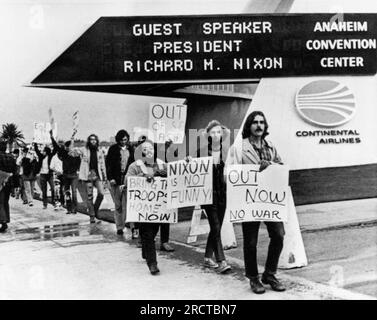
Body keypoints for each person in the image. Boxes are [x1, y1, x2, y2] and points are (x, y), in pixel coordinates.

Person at [227, 111, 286, 294]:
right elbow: (229, 172)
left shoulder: (271, 146)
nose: (259, 125)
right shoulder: (238, 148)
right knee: (250, 242)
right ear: (249, 126)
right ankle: (253, 278)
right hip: (249, 201)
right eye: (255, 122)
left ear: (265, 126)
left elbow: (281, 167)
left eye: (261, 122)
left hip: (269, 201)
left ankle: (269, 273)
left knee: (278, 235)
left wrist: (272, 166)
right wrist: (254, 169)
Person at [191, 120, 232, 274]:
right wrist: (190, 161)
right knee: (215, 226)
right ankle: (222, 260)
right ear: (208, 135)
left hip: (223, 194)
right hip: (208, 195)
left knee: (217, 227)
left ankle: (208, 257)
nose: (216, 135)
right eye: (213, 132)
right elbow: (193, 170)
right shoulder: (201, 151)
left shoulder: (227, 152)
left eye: (218, 132)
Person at [124, 139, 167, 275]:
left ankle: (145, 249)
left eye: (151, 149)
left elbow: (173, 173)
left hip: (157, 207)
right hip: (142, 208)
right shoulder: (134, 166)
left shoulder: (160, 164)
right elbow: (127, 180)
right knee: (147, 233)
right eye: (145, 149)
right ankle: (152, 263)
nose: (149, 151)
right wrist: (142, 176)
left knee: (153, 229)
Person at [69, 133, 107, 223]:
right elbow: (71, 152)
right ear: (89, 141)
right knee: (89, 197)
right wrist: (72, 140)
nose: (93, 141)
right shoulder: (83, 150)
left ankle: (94, 210)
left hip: (97, 176)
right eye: (91, 139)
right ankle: (92, 216)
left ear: (97, 141)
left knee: (101, 194)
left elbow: (102, 165)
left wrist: (105, 177)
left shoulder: (100, 151)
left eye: (95, 139)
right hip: (87, 177)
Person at [105, 130, 135, 235]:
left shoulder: (131, 149)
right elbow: (108, 165)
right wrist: (110, 178)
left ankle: (133, 227)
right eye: (122, 140)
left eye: (125, 139)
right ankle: (119, 227)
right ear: (118, 139)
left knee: (130, 205)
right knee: (118, 205)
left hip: (128, 179)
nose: (123, 142)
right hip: (116, 179)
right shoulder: (113, 149)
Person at [50, 130, 81, 214]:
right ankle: (69, 208)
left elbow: (79, 164)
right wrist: (52, 137)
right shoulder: (64, 153)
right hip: (66, 175)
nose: (70, 148)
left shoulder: (76, 155)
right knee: (67, 192)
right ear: (67, 147)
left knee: (74, 192)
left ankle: (74, 208)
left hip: (73, 175)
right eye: (69, 146)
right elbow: (56, 147)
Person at [34, 143, 57, 209]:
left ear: (47, 152)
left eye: (44, 151)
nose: (42, 152)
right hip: (42, 175)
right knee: (44, 190)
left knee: (53, 188)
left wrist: (52, 137)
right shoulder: (41, 157)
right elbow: (36, 150)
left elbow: (55, 149)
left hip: (49, 175)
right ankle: (45, 203)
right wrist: (35, 142)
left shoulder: (51, 156)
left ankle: (53, 201)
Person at [0, 140, 17, 232]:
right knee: (5, 201)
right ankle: (5, 219)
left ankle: (3, 222)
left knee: (0, 202)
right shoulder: (11, 157)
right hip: (9, 182)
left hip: (1, 182)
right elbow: (15, 171)